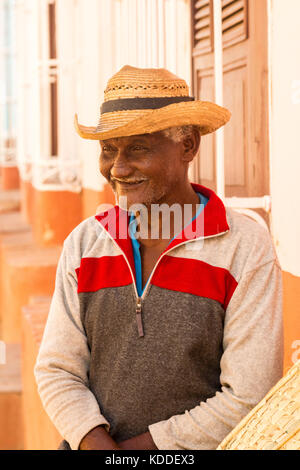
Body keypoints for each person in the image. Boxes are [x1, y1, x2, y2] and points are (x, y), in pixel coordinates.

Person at [34, 65, 283, 450]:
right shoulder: (85, 244)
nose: (117, 168)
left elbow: (249, 395)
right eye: (107, 149)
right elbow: (56, 369)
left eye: (137, 147)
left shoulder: (244, 246)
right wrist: (94, 442)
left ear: (188, 146)